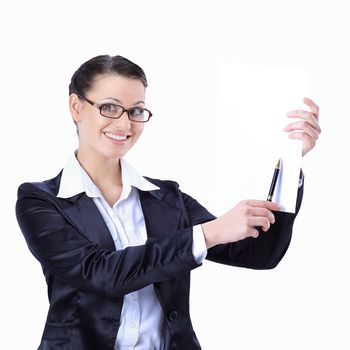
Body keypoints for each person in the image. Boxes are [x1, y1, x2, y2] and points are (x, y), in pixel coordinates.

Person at [15, 55, 321, 350]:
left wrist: (289, 160)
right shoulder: (41, 201)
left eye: (136, 111)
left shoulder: (167, 199)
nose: (125, 125)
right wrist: (207, 233)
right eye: (110, 107)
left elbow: (259, 254)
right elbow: (101, 273)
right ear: (76, 107)